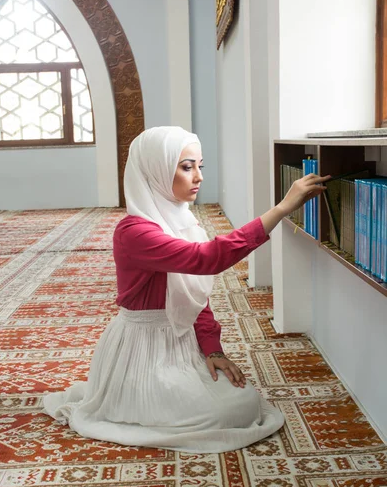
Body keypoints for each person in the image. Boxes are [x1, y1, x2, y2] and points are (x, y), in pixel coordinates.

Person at [43, 126, 329, 453]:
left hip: (180, 342)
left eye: (199, 166)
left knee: (243, 402)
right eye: (186, 167)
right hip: (143, 352)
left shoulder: (181, 220)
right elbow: (206, 260)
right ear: (156, 171)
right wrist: (280, 210)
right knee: (227, 412)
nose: (198, 177)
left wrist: (212, 349)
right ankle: (131, 397)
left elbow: (194, 297)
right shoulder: (133, 232)